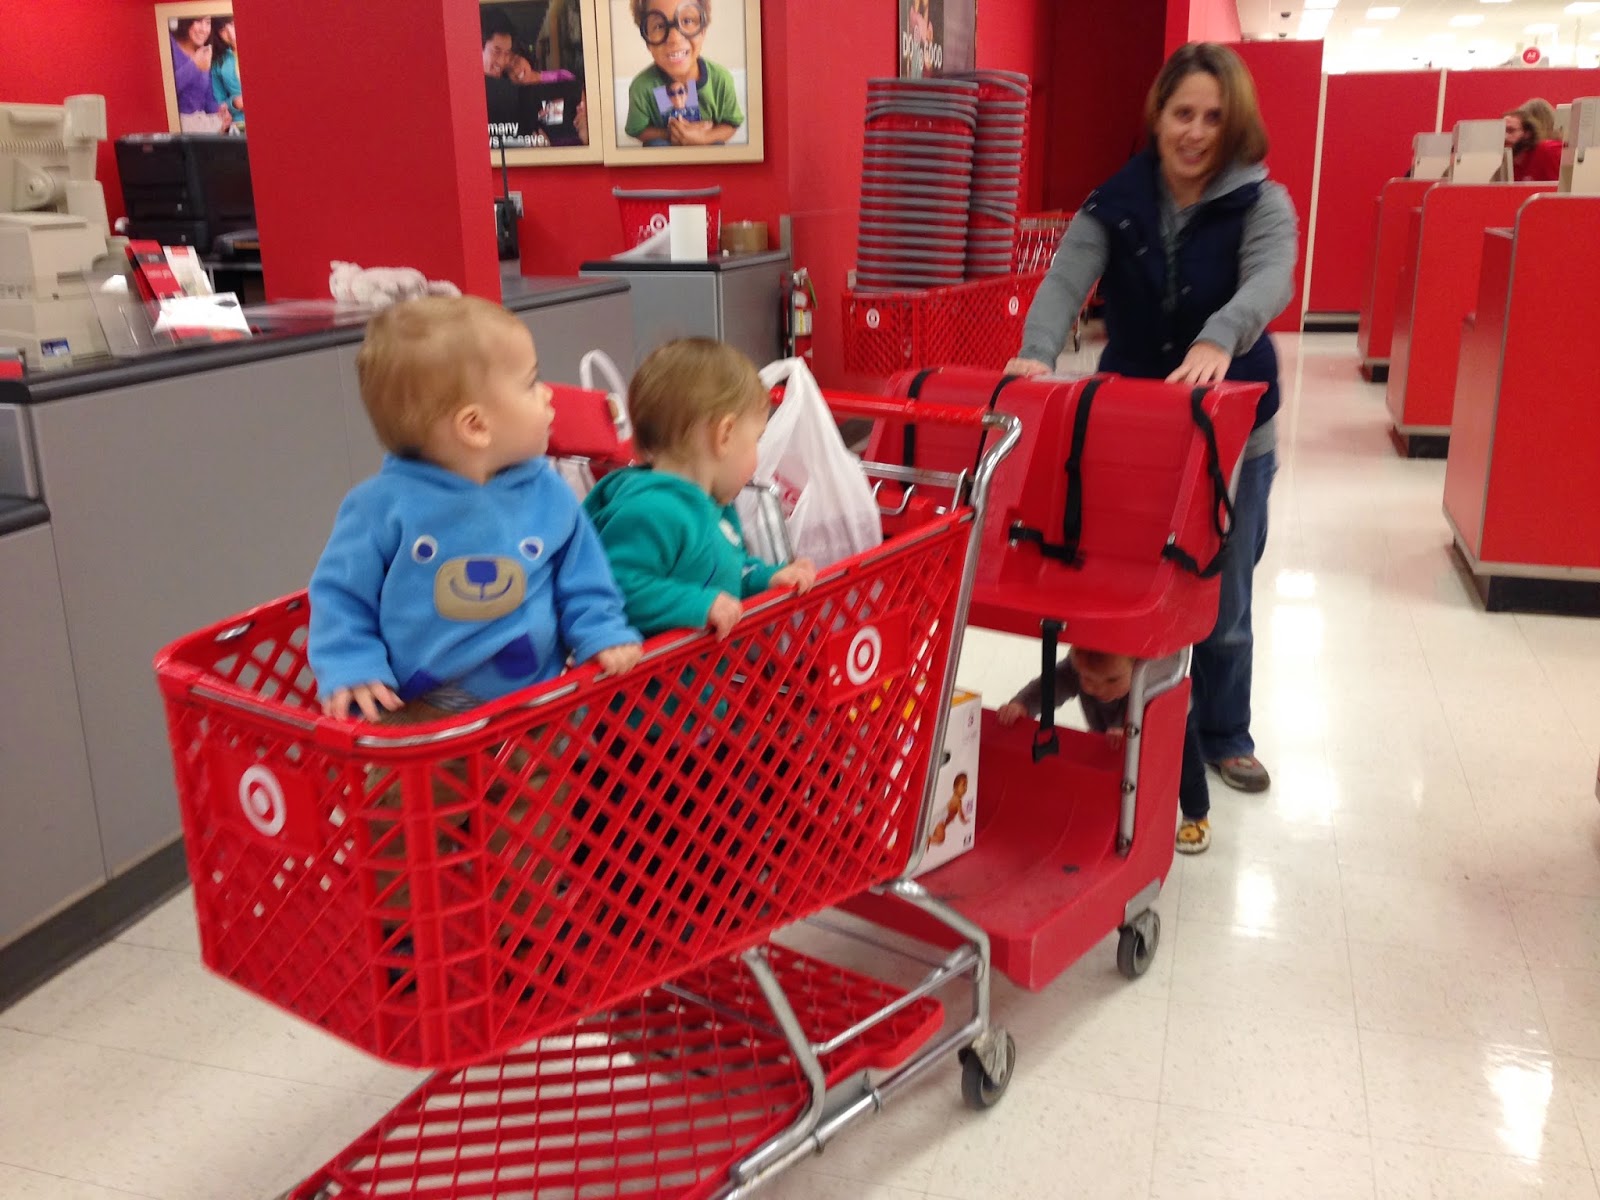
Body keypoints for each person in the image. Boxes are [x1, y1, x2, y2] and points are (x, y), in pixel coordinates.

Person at [1006, 42, 1298, 803]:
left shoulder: (1261, 202)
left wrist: (1220, 336)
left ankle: (1225, 735)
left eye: (1213, 117)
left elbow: (1270, 280)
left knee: (1223, 599)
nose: (1195, 132)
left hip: (1235, 437)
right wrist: (1036, 353)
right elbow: (1065, 279)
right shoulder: (1114, 201)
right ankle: (1130, 713)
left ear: (1235, 125)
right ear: (1158, 116)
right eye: (1182, 113)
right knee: (1131, 583)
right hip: (1136, 432)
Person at [308, 295, 643, 723]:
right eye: (530, 383)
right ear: (476, 426)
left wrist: (602, 631)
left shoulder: (549, 494)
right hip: (419, 717)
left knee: (550, 769)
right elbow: (340, 596)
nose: (547, 394)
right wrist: (350, 664)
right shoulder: (380, 508)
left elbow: (585, 579)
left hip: (539, 710)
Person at [582, 337, 816, 639]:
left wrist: (767, 578)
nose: (758, 456)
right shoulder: (652, 511)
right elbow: (614, 589)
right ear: (725, 435)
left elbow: (724, 574)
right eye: (756, 439)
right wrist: (699, 605)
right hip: (656, 671)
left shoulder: (711, 506)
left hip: (706, 669)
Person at [998, 648, 1211, 853]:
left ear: (1138, 665)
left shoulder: (1151, 672)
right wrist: (1023, 705)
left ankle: (1196, 815)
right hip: (1109, 732)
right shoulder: (1084, 665)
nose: (1099, 689)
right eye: (1087, 679)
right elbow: (1053, 683)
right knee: (1113, 768)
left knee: (1187, 769)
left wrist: (1128, 727)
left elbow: (1154, 712)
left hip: (1168, 721)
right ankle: (1117, 819)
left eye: (1112, 680)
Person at [624, 1, 743, 147]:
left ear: (703, 30)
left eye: (687, 21)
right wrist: (675, 134)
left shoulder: (721, 80)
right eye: (659, 26)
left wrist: (704, 137)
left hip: (708, 153)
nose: (674, 38)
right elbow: (638, 130)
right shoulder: (641, 87)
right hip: (664, 156)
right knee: (655, 145)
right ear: (647, 40)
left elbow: (731, 124)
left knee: (716, 145)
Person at [170, 18, 232, 134]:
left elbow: (207, 98)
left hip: (199, 125)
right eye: (198, 21)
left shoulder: (204, 50)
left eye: (208, 23)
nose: (204, 30)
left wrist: (219, 111)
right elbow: (165, 93)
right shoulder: (169, 45)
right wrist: (194, 66)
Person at [1505, 104, 1563, 182]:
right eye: (1502, 131)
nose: (1505, 137)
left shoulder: (1548, 150)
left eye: (1511, 130)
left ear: (1527, 133)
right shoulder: (1505, 162)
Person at [209, 17, 243, 134]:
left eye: (233, 24)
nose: (231, 34)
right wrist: (234, 104)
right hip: (239, 125)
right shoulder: (218, 62)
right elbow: (219, 102)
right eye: (222, 29)